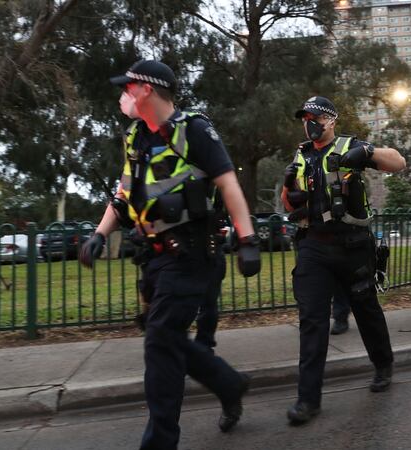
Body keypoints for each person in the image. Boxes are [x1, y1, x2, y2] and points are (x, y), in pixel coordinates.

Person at [79, 60, 262, 449]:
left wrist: (248, 240)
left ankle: (160, 442)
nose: (123, 95)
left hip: (193, 253)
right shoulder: (136, 137)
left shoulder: (193, 129)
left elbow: (228, 184)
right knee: (163, 334)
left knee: (161, 339)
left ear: (146, 89)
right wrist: (99, 234)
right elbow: (125, 191)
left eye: (127, 88)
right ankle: (229, 384)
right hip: (155, 256)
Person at [280, 96, 406, 425]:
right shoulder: (301, 155)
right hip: (313, 247)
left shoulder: (350, 145)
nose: (308, 122)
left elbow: (399, 162)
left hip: (352, 246)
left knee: (366, 310)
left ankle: (383, 364)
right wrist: (288, 193)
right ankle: (308, 399)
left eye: (315, 117)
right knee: (312, 321)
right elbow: (288, 206)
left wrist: (367, 154)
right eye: (304, 117)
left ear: (331, 120)